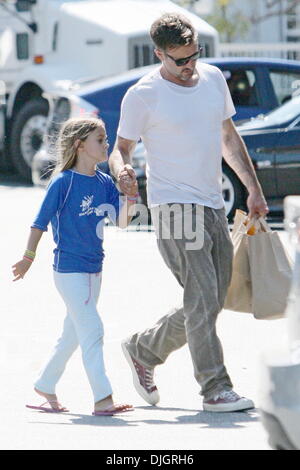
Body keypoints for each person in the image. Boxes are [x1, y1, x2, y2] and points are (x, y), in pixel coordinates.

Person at [109, 13, 269, 412]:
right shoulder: (143, 94)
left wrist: (253, 189)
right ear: (158, 54)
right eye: (179, 60)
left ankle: (143, 349)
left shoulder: (213, 79)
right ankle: (215, 387)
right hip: (173, 207)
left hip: (214, 203)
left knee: (210, 300)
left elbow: (228, 137)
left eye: (194, 55)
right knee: (202, 298)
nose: (189, 66)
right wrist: (122, 171)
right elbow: (121, 147)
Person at [12, 117, 138, 416]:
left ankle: (45, 383)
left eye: (106, 139)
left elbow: (120, 221)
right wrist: (28, 257)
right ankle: (103, 398)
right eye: (100, 139)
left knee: (72, 334)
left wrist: (131, 194)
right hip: (68, 271)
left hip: (95, 270)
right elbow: (39, 223)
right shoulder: (63, 182)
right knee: (92, 329)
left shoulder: (105, 182)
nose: (107, 145)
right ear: (80, 145)